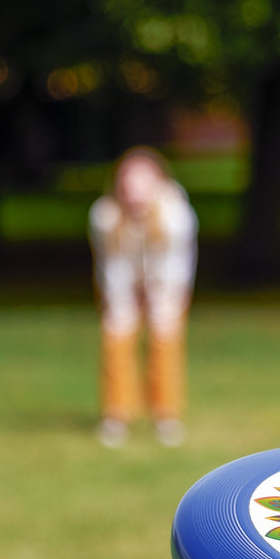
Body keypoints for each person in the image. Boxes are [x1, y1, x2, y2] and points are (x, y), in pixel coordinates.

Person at [89, 146, 198, 447]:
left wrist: (158, 297)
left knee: (165, 340)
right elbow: (112, 265)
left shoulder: (176, 215)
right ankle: (116, 415)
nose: (134, 190)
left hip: (166, 284)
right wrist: (124, 300)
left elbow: (175, 265)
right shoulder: (105, 215)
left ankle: (166, 415)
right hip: (121, 283)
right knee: (116, 336)